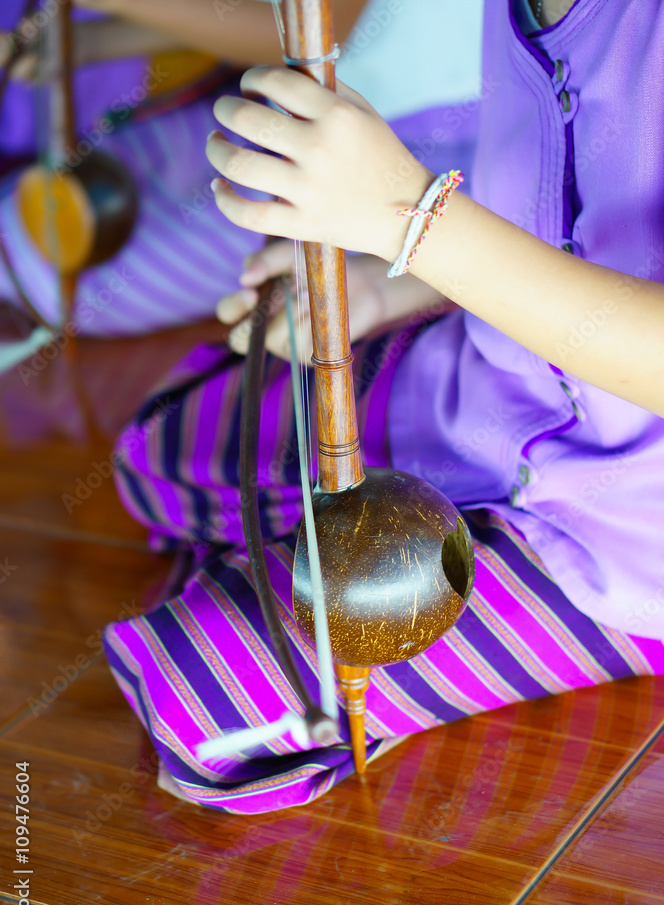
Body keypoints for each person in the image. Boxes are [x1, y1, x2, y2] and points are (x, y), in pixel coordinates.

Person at [103, 0, 664, 814]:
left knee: (194, 708)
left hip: (629, 540)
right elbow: (558, 201)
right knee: (157, 453)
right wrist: (384, 281)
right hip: (484, 387)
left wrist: (405, 215)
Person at [0, 0, 482, 338]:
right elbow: (264, 10)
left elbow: (322, 26)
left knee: (61, 281)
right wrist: (91, 41)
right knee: (56, 203)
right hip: (307, 95)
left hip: (408, 138)